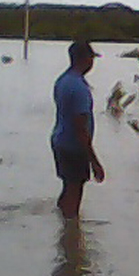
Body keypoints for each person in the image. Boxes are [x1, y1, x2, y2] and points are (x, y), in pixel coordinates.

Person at [51, 41, 105, 219]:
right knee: (74, 194)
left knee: (68, 187)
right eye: (91, 58)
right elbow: (80, 127)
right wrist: (94, 161)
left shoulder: (63, 80)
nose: (92, 62)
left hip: (60, 140)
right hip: (73, 146)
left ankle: (62, 227)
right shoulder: (79, 88)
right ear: (85, 59)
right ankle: (71, 239)